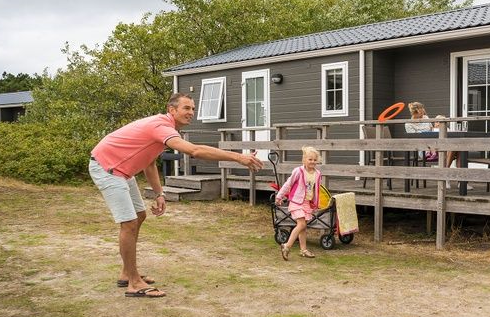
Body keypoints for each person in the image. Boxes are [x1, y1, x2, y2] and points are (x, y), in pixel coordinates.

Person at [89, 93, 264, 298]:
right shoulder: (161, 126)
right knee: (128, 222)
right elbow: (195, 150)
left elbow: (149, 162)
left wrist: (159, 194)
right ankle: (134, 283)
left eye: (192, 109)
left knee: (139, 215)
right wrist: (238, 157)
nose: (191, 113)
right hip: (107, 168)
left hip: (121, 170)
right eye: (186, 108)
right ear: (172, 110)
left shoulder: (164, 129)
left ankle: (127, 273)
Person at [275, 146, 322, 260]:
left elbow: (317, 189)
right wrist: (279, 196)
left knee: (303, 227)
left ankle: (303, 250)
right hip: (296, 201)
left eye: (315, 160)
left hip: (307, 203)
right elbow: (288, 184)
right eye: (310, 159)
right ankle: (287, 246)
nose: (312, 162)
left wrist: (315, 203)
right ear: (304, 160)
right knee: (301, 224)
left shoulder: (317, 174)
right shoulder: (298, 171)